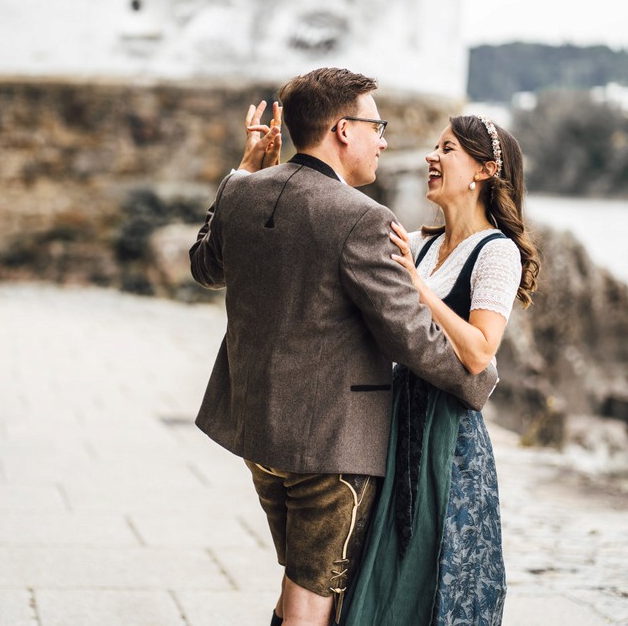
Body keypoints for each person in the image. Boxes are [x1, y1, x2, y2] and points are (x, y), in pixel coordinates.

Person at [189, 68, 500, 626]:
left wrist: (245, 169)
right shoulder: (362, 219)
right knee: (313, 599)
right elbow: (410, 335)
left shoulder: (241, 190)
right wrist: (476, 378)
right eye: (377, 127)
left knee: (298, 584)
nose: (383, 141)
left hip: (259, 436)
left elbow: (205, 266)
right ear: (342, 129)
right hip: (331, 449)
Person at [342, 115, 540, 625]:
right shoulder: (421, 244)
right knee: (380, 578)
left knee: (438, 581)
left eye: (447, 149)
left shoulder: (497, 253)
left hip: (447, 438)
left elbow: (479, 352)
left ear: (484, 171)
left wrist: (418, 287)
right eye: (435, 147)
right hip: (396, 423)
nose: (432, 156)